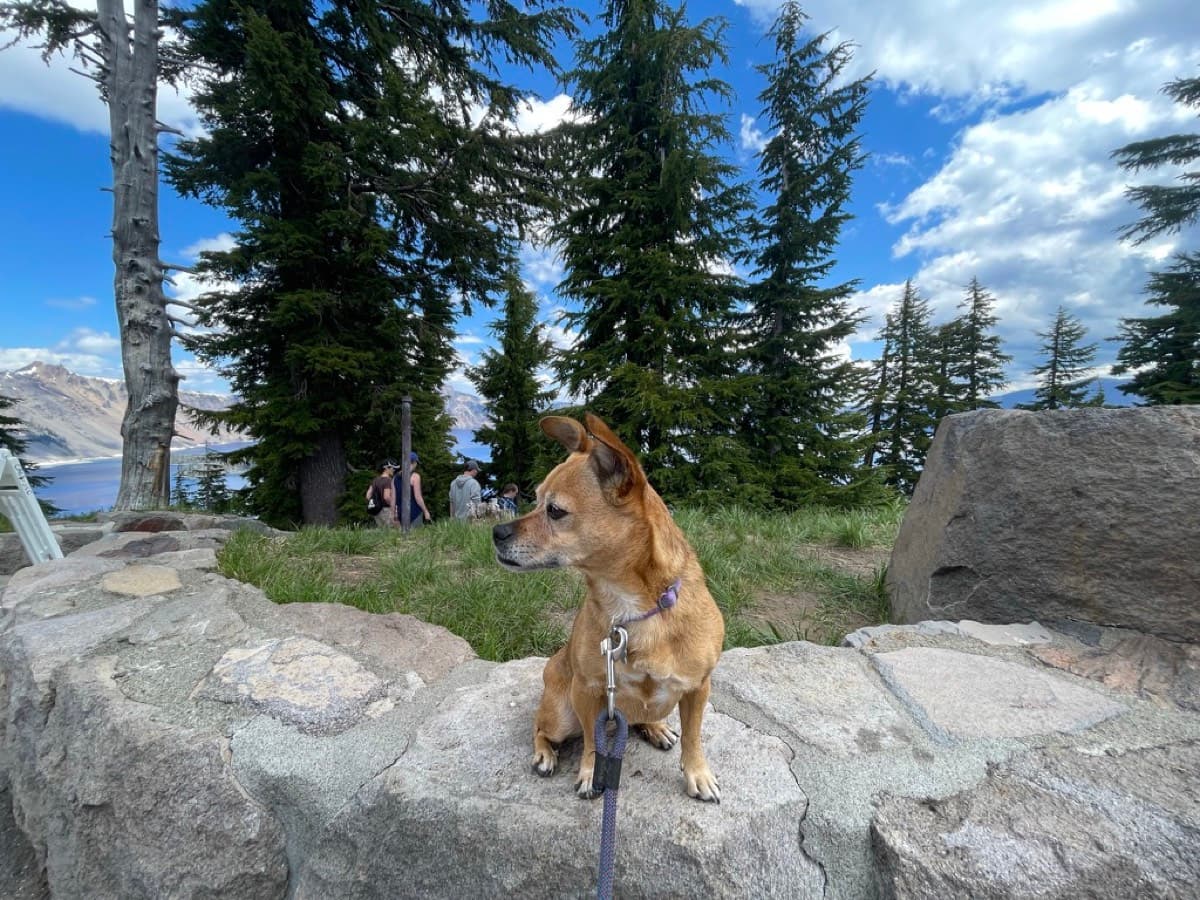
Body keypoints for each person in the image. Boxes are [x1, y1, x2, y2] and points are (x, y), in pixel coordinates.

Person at [394, 451, 432, 529]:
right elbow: (418, 497)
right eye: (416, 463)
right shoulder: (415, 477)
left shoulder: (395, 478)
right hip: (414, 512)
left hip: (401, 513)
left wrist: (394, 515)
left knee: (404, 538)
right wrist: (425, 511)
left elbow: (393, 499)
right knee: (415, 538)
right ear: (414, 462)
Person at [367, 460, 396, 527]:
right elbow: (386, 497)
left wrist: (376, 502)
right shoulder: (388, 480)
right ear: (386, 468)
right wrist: (393, 507)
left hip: (377, 511)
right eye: (392, 468)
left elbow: (368, 496)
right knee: (391, 531)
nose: (393, 470)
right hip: (386, 510)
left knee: (382, 531)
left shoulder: (375, 480)